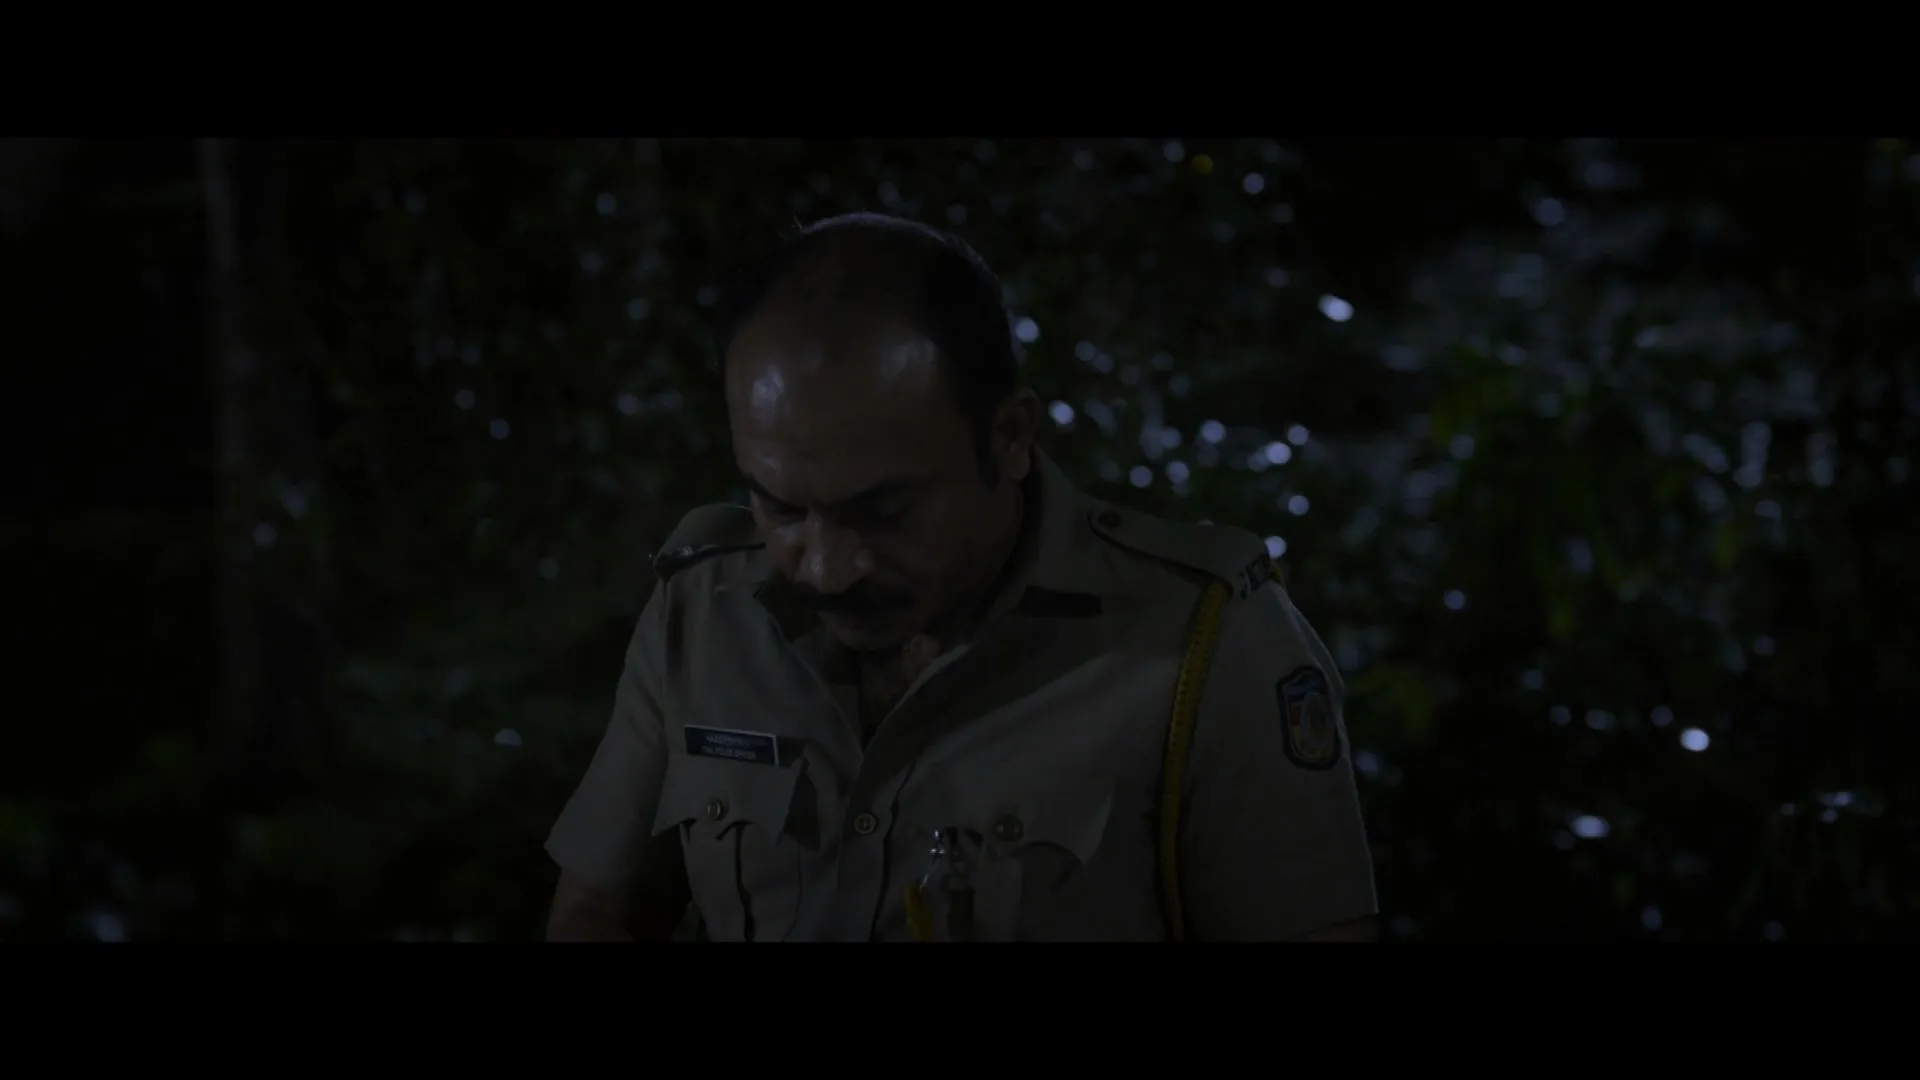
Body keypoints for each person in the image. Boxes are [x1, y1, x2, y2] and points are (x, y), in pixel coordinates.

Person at [543, 212, 1377, 942]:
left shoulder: (1204, 642)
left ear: (1009, 437)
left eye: (884, 511)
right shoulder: (701, 613)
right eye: (780, 508)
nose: (826, 570)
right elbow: (593, 912)